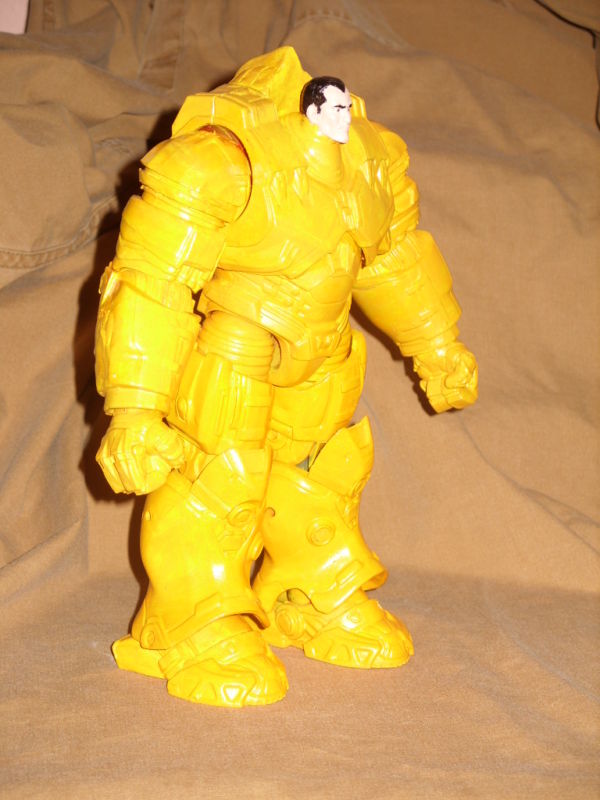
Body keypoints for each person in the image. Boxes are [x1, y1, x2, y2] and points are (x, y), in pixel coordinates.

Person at [95, 47, 478, 707]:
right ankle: (193, 622)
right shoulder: (219, 164)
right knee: (218, 473)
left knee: (323, 468)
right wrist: (135, 408)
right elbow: (150, 281)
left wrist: (437, 346)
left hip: (325, 350)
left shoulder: (368, 160)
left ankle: (308, 591)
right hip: (238, 343)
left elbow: (394, 259)